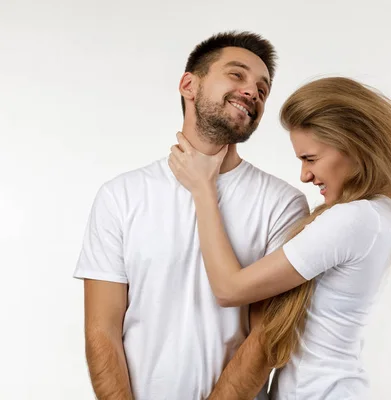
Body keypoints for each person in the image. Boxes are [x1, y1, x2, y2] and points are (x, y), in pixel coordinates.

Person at [168, 76, 391, 399]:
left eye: (310, 159)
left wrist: (203, 188)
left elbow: (230, 289)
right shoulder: (377, 215)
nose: (304, 175)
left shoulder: (355, 219)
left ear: (356, 147)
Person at [73, 31, 308, 400]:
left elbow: (267, 338)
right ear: (189, 85)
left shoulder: (283, 204)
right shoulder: (121, 196)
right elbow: (101, 331)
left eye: (263, 90)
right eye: (237, 75)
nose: (253, 92)